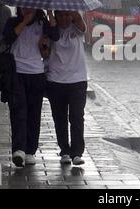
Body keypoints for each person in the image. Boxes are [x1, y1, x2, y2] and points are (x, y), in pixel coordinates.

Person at [2, 8, 59, 167]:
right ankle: (18, 149)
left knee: (34, 113)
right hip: (17, 73)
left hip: (36, 73)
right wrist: (24, 22)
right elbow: (8, 38)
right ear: (19, 8)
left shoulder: (42, 24)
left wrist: (50, 14)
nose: (27, 9)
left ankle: (30, 151)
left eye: (30, 6)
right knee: (18, 111)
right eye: (23, 6)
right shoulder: (13, 22)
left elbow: (56, 36)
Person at [45, 11, 88, 165]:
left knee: (76, 117)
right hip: (56, 80)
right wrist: (50, 17)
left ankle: (77, 152)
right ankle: (64, 151)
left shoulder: (76, 30)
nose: (64, 18)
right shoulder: (51, 31)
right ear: (56, 17)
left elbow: (82, 24)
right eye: (60, 15)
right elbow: (44, 51)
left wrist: (73, 8)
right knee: (59, 118)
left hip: (78, 80)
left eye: (66, 15)